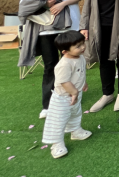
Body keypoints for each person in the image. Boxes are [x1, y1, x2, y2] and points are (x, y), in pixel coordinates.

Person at [20, 0, 88, 120]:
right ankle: (48, 104)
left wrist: (63, 3)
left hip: (70, 24)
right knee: (50, 64)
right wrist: (45, 3)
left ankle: (73, 94)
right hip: (46, 25)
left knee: (72, 62)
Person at [42, 31, 91, 159]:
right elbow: (64, 81)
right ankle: (57, 144)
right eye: (78, 46)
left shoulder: (80, 57)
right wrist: (74, 92)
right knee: (59, 119)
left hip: (76, 94)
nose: (83, 47)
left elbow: (80, 72)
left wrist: (83, 83)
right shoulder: (64, 65)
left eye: (83, 43)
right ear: (65, 51)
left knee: (75, 113)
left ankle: (76, 131)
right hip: (62, 97)